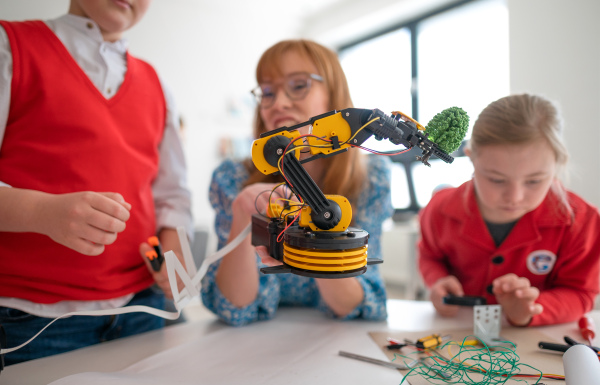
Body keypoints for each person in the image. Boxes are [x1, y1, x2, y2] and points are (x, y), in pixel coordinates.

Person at [0, 0, 193, 364]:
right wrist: (42, 212)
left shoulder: (158, 85)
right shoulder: (9, 47)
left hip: (143, 308)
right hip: (29, 321)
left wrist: (172, 250)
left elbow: (171, 195)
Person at [201, 39, 393, 326]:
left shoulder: (370, 177)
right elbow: (234, 308)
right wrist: (244, 213)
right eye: (267, 92)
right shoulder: (233, 178)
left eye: (299, 85)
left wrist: (319, 229)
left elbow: (356, 304)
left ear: (334, 96)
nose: (278, 103)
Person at [418, 93, 600, 326]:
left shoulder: (583, 222)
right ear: (472, 160)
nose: (514, 197)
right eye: (496, 180)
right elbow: (429, 255)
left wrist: (532, 309)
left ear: (557, 165)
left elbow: (580, 293)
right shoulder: (439, 210)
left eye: (534, 181)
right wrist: (437, 280)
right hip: (456, 332)